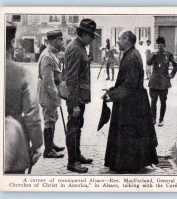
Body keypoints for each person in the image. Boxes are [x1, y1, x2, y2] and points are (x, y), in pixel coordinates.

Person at [103, 30, 159, 173]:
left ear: (127, 40)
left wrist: (113, 95)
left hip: (132, 104)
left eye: (120, 39)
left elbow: (130, 84)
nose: (117, 41)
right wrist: (112, 91)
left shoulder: (132, 56)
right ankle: (127, 163)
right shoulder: (130, 54)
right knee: (128, 134)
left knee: (129, 134)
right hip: (129, 101)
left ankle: (129, 164)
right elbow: (125, 81)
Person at [5, 21, 43, 174]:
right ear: (13, 42)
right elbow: (32, 114)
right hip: (12, 144)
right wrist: (37, 144)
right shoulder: (22, 73)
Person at [64, 18, 98, 173]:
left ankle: (77, 155)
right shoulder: (76, 48)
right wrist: (74, 104)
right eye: (91, 35)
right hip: (75, 98)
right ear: (84, 34)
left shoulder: (81, 46)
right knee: (73, 128)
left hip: (80, 96)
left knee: (78, 126)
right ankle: (72, 162)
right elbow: (71, 78)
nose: (92, 39)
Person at [37, 30, 65, 159]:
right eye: (61, 40)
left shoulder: (52, 54)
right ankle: (48, 150)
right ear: (55, 41)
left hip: (50, 94)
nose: (62, 42)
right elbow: (48, 82)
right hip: (48, 94)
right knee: (49, 120)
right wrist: (56, 97)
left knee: (53, 118)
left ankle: (51, 144)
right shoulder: (47, 56)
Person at [147, 36, 177, 127]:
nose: (159, 47)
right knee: (153, 101)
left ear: (164, 45)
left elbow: (176, 65)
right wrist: (152, 56)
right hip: (154, 82)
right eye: (158, 45)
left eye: (161, 45)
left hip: (164, 83)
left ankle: (161, 119)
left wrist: (171, 74)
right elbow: (148, 63)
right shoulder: (154, 54)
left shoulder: (168, 54)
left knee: (163, 102)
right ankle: (153, 119)